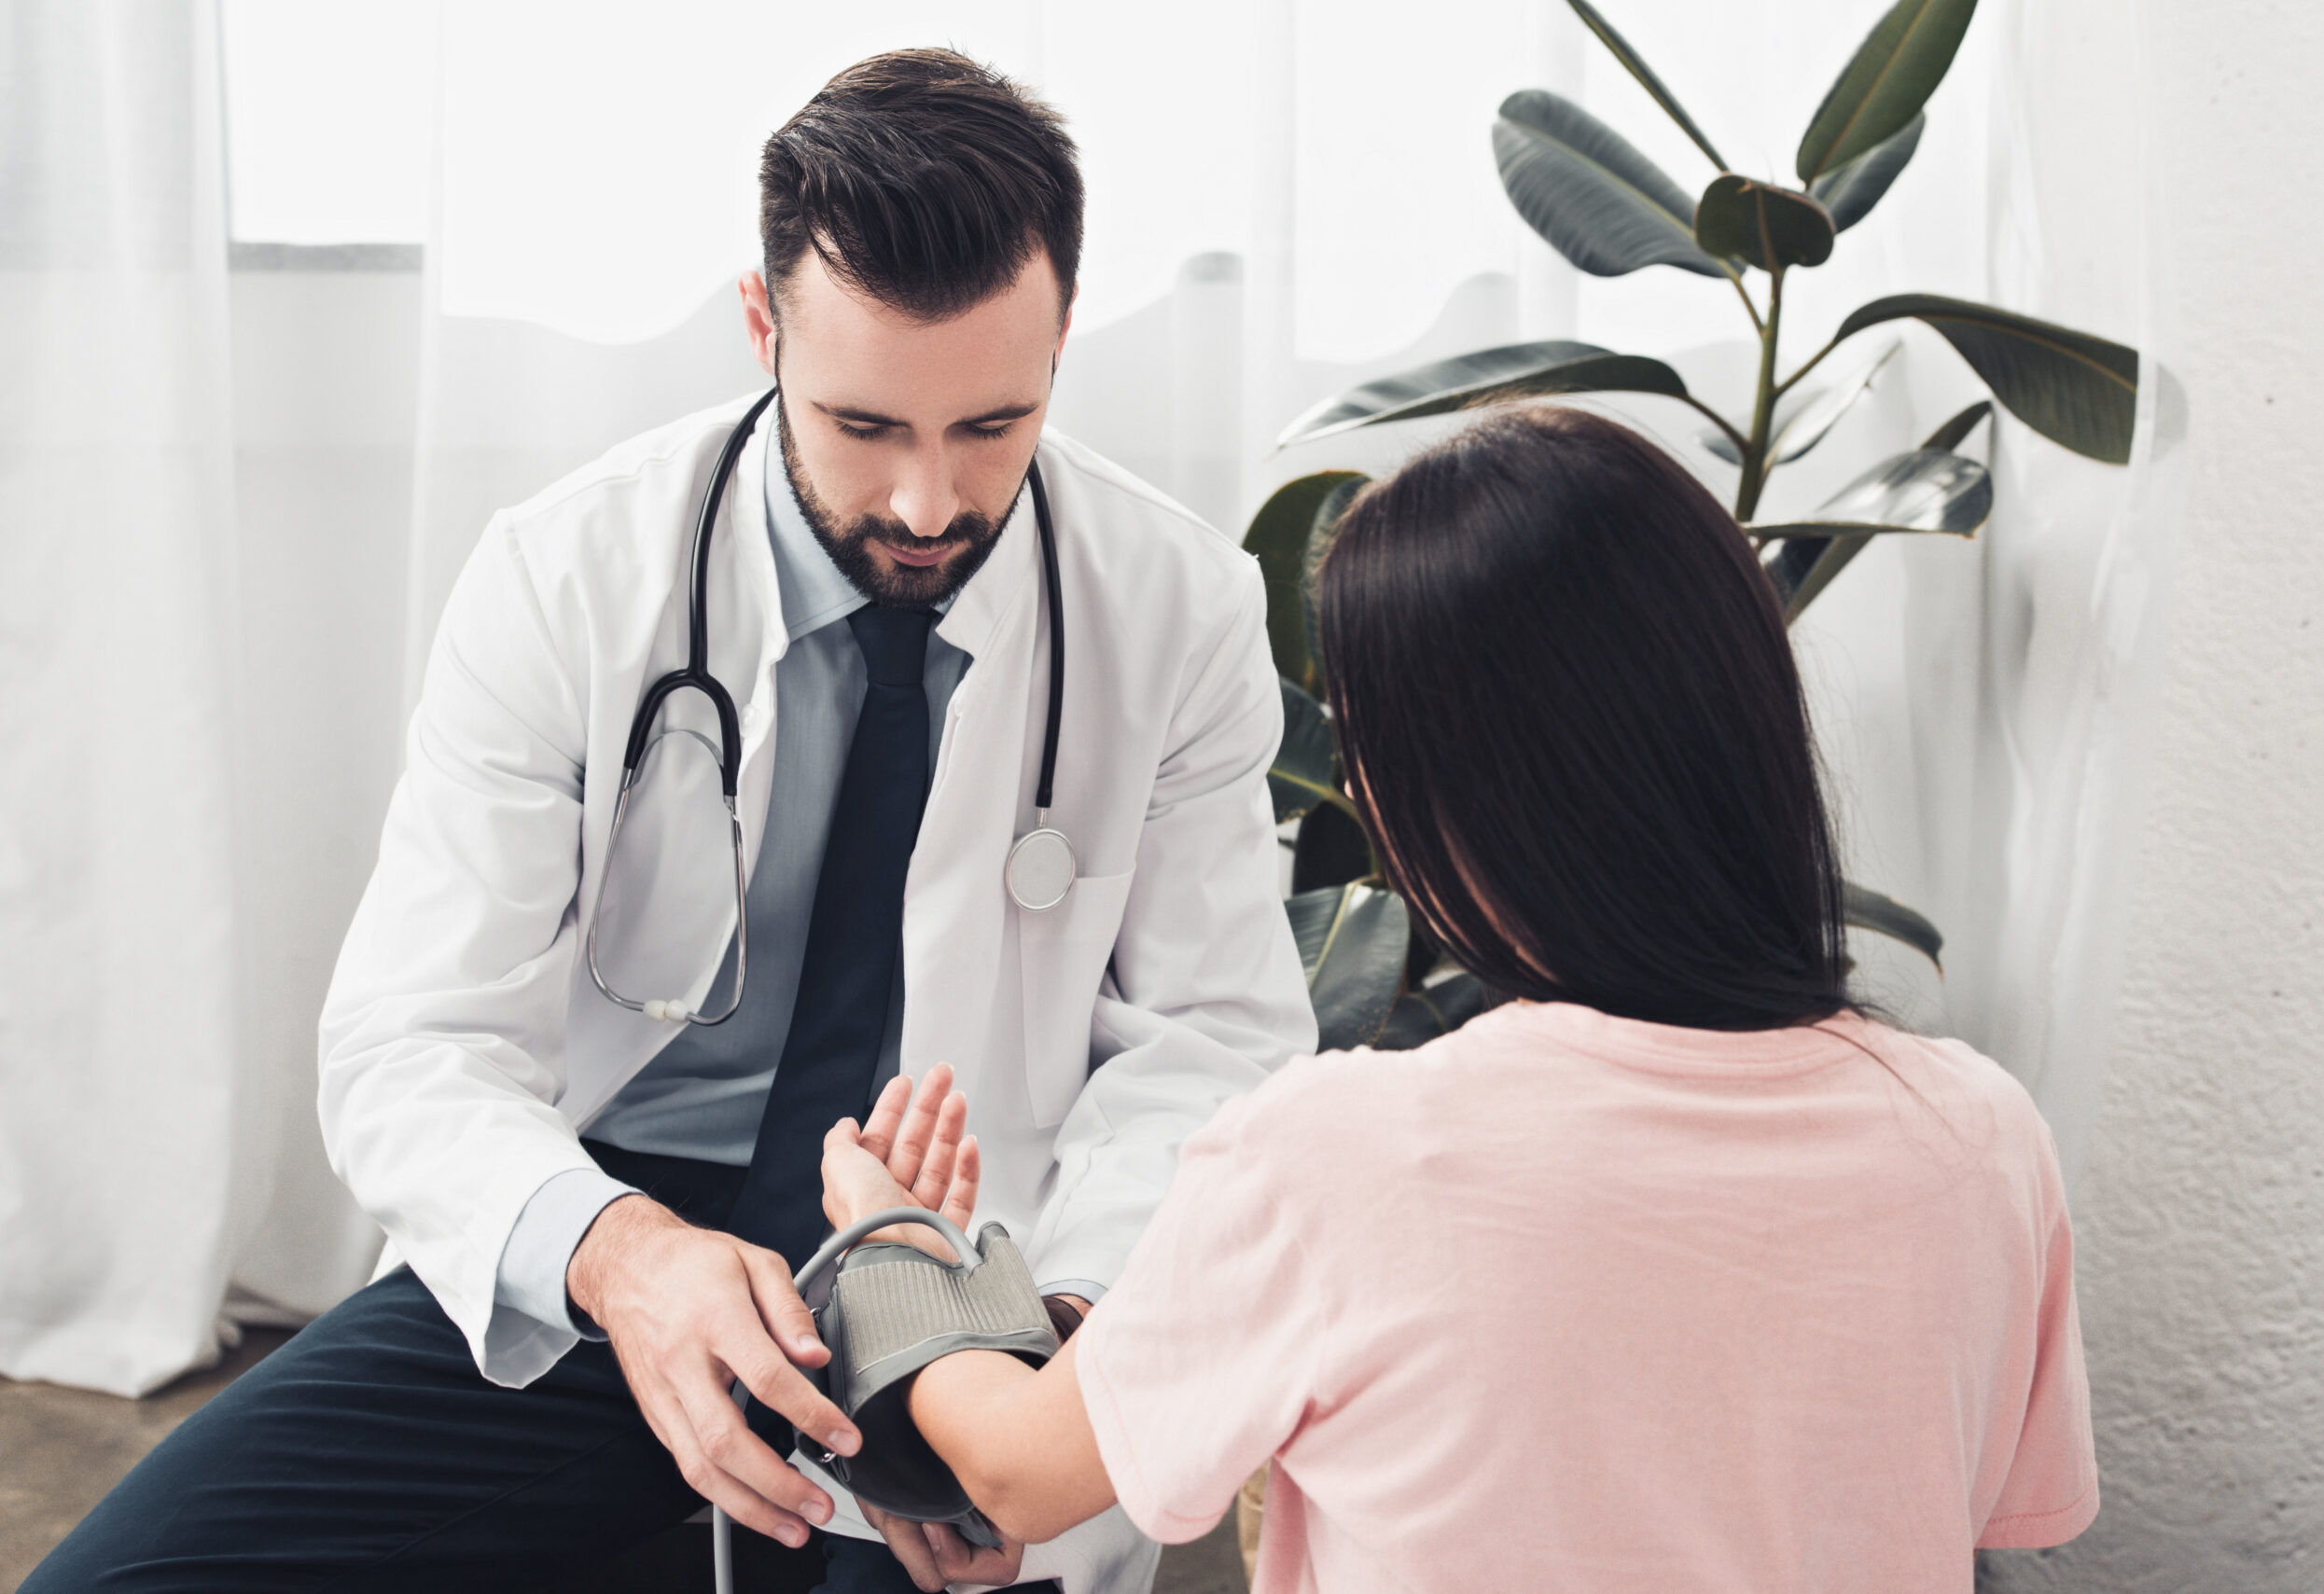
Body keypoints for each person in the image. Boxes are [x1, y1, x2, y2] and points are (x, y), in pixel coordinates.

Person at [25, 48, 1312, 1594]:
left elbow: (1215, 1045)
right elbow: (410, 1043)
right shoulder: (564, 577)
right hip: (620, 1227)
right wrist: (623, 1259)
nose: (925, 502)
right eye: (863, 425)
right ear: (761, 326)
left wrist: (1053, 1367)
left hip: (969, 1269)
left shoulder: (1174, 604)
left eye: (990, 425)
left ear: (1060, 337)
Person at [819, 404, 2100, 1593]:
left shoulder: (1344, 1153)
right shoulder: (1979, 1134)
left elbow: (1016, 1472)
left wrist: (897, 1245)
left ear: (1455, 793)